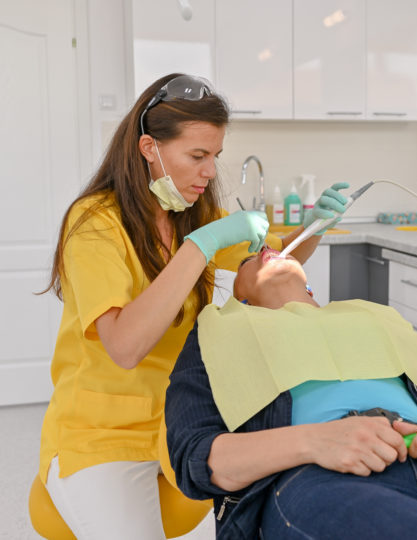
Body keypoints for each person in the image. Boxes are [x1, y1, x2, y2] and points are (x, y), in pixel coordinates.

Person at [38, 73, 349, 540]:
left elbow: (272, 262)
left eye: (215, 157)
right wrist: (200, 247)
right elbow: (125, 347)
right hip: (101, 431)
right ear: (149, 148)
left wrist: (314, 226)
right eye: (197, 156)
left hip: (179, 421)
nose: (209, 172)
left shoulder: (193, 215)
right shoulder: (95, 223)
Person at [165, 246, 417, 540]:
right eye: (249, 260)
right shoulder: (216, 334)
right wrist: (314, 441)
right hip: (319, 482)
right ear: (242, 298)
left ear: (309, 286)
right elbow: (194, 459)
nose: (266, 250)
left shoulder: (372, 320)